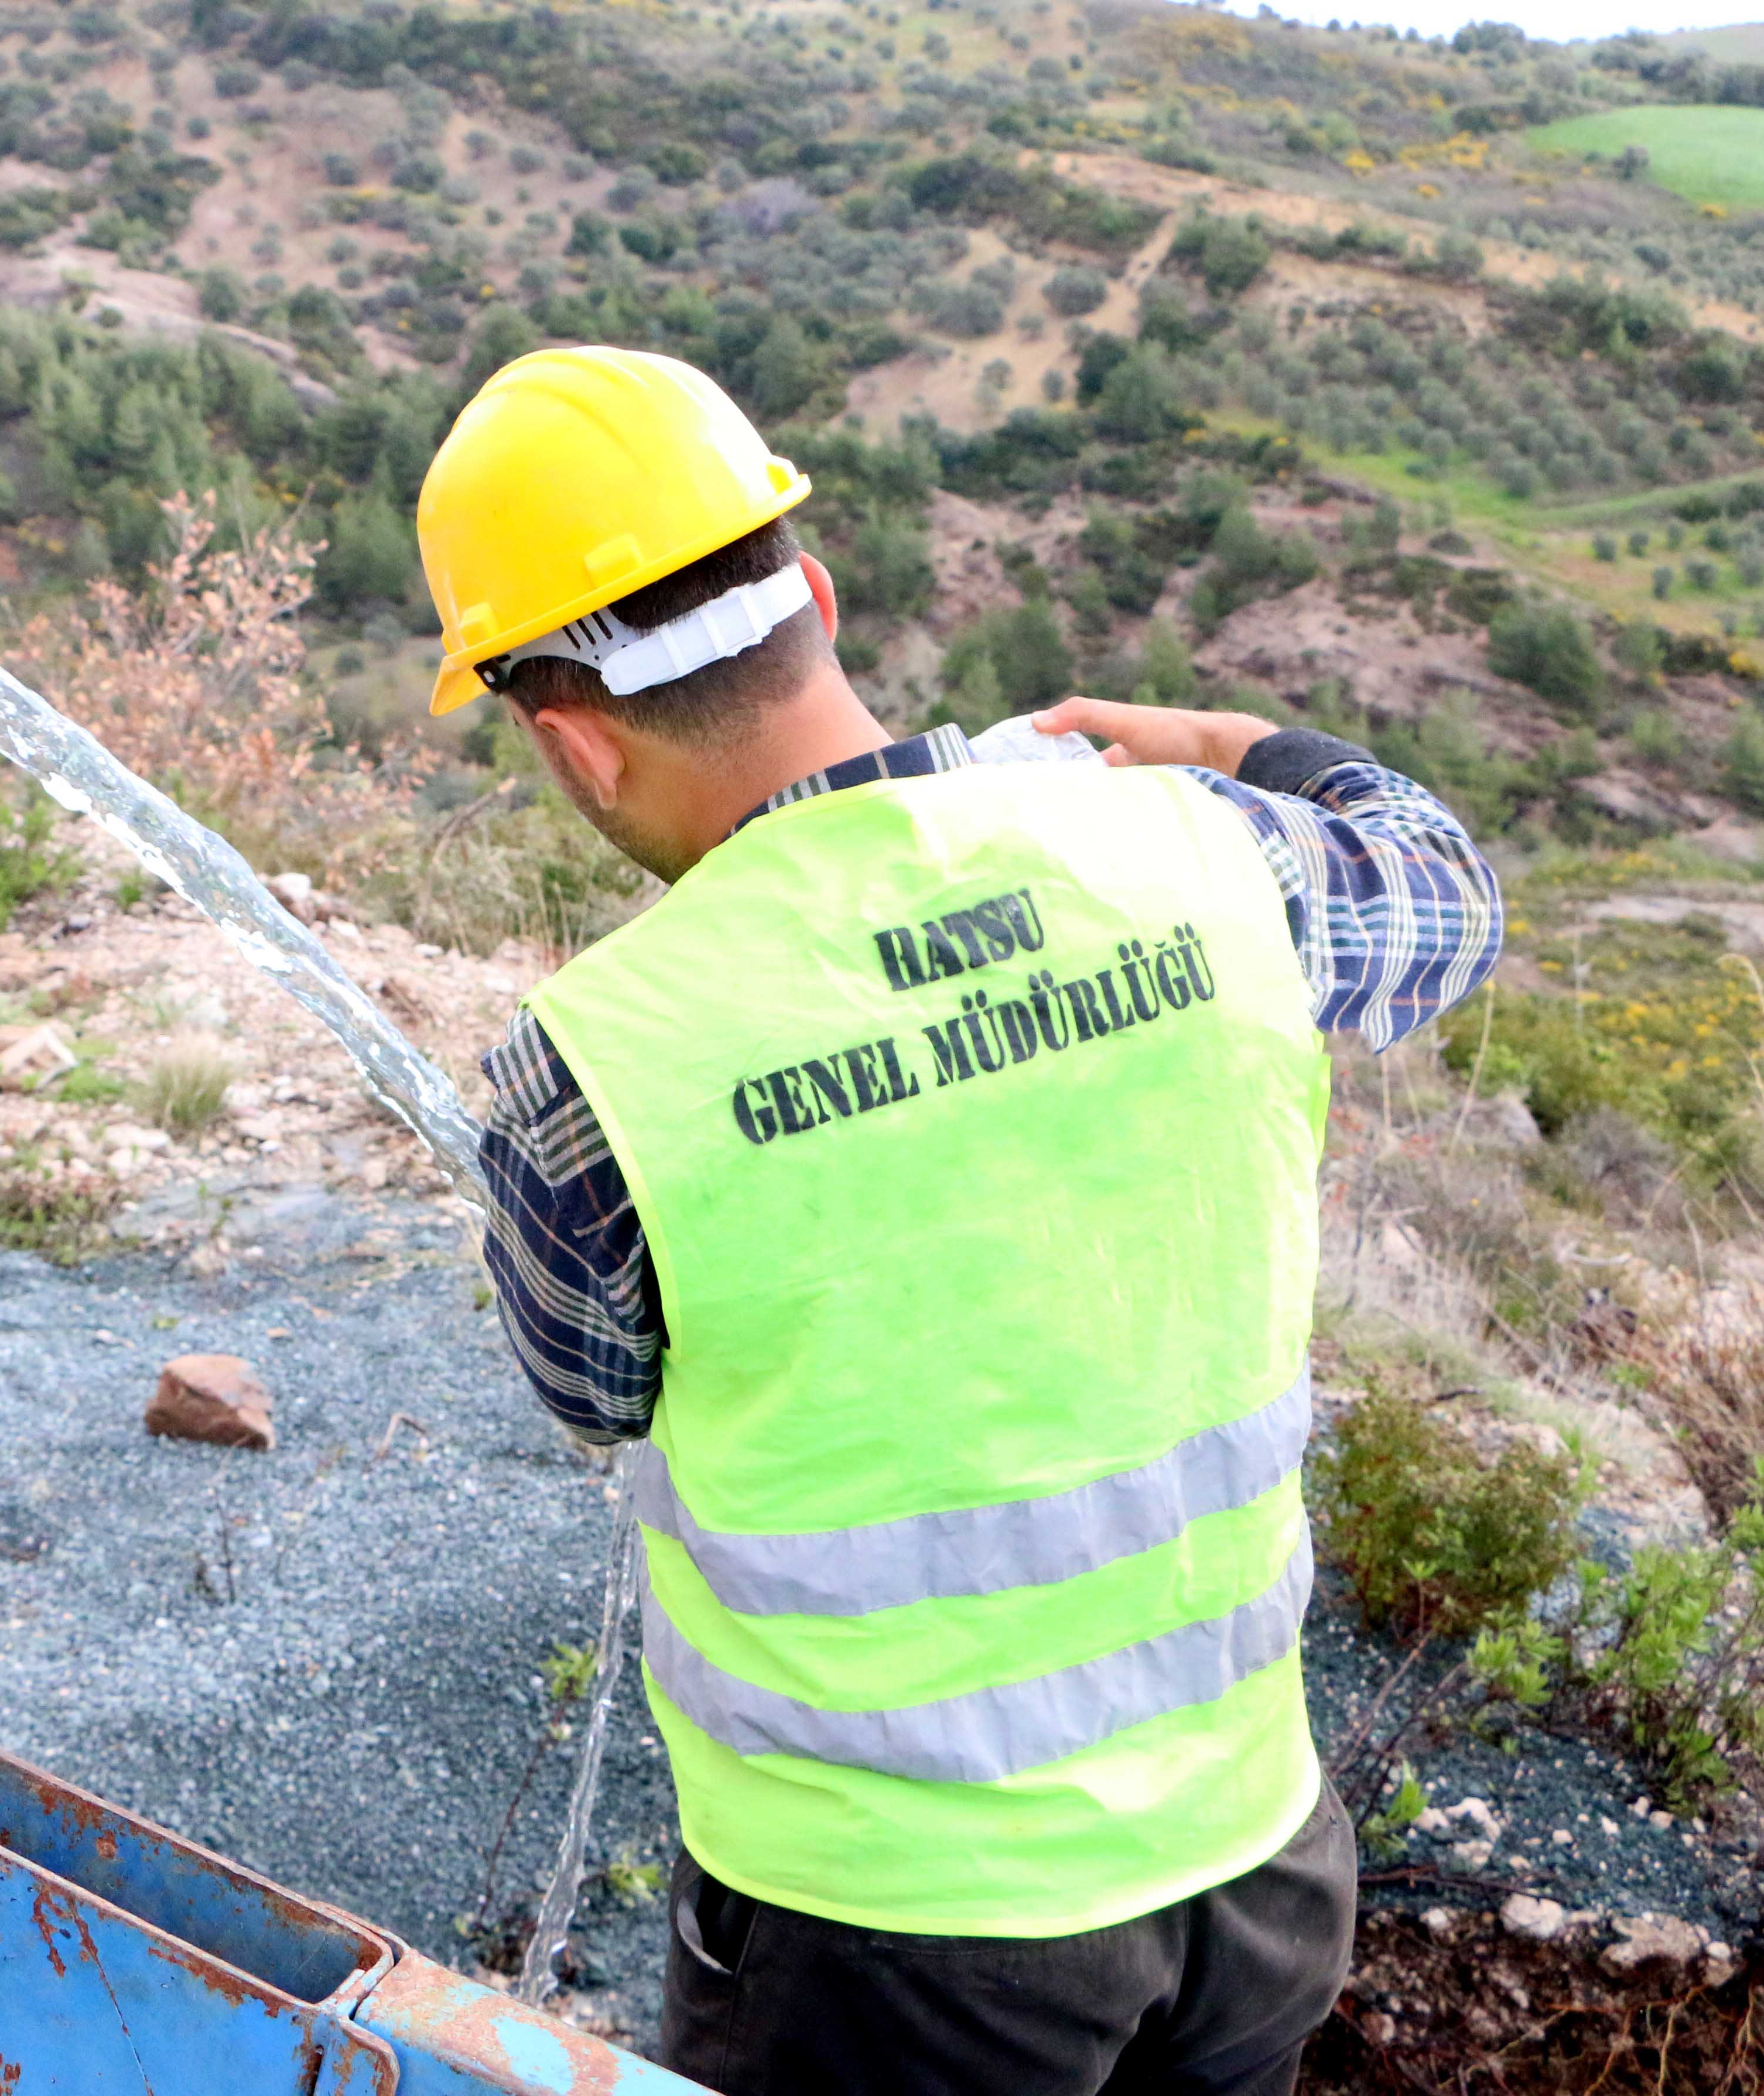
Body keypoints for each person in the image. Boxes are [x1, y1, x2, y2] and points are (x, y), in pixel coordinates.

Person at [415, 346, 1502, 2095]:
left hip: (888, 1942)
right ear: (815, 595)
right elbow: (1446, 888)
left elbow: (592, 1393)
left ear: (571, 745)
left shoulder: (589, 1077)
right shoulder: (1213, 855)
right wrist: (1229, 745)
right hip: (1256, 1869)